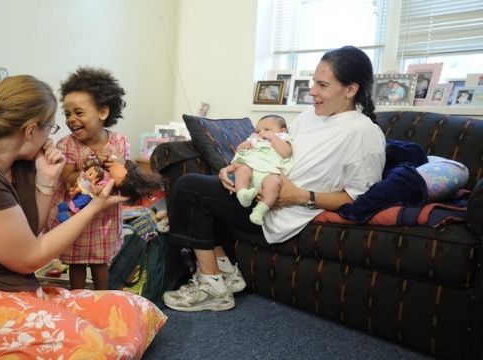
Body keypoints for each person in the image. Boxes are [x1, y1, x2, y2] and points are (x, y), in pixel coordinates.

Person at [0, 75, 166, 358]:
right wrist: (93, 208)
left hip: (14, 291)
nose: (52, 136)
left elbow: (30, 231)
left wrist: (46, 180)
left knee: (135, 308)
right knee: (90, 349)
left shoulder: (22, 163)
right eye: (51, 126)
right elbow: (29, 256)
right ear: (30, 131)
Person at [162, 45, 386, 312]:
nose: (312, 90)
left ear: (351, 90)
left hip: (284, 210)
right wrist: (234, 167)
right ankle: (225, 275)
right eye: (314, 81)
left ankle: (213, 288)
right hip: (263, 189)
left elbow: (362, 199)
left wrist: (301, 196)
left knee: (189, 188)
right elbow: (278, 152)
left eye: (323, 85)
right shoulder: (309, 117)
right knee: (202, 185)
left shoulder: (364, 133)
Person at [47, 67, 130, 291]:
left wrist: (118, 163)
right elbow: (67, 179)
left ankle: (102, 298)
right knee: (77, 262)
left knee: (100, 261)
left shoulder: (119, 142)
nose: (71, 119)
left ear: (103, 113)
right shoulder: (67, 144)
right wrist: (91, 166)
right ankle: (77, 298)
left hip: (106, 216)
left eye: (79, 113)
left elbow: (125, 176)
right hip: (77, 212)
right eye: (67, 114)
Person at [231, 115, 292, 225]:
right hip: (251, 168)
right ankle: (242, 194)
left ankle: (259, 211)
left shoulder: (283, 138)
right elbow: (238, 151)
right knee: (242, 170)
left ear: (282, 131)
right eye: (258, 131)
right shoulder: (254, 139)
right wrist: (243, 146)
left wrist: (273, 137)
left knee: (275, 182)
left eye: (267, 129)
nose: (261, 133)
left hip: (271, 171)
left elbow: (286, 153)